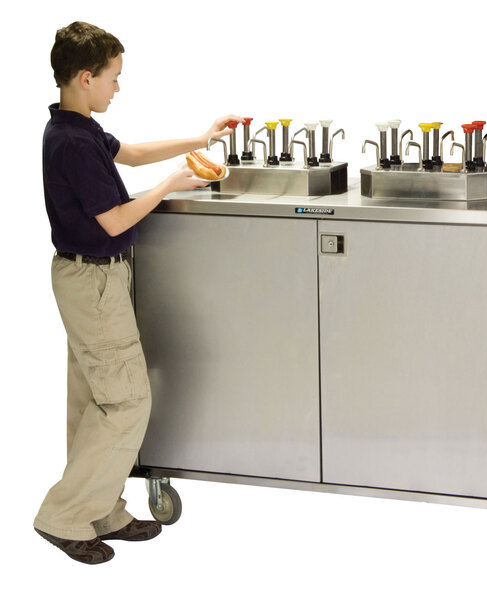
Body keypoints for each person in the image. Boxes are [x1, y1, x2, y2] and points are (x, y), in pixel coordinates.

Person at [34, 20, 244, 564]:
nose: (117, 88)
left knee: (93, 400)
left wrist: (201, 140)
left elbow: (131, 152)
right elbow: (113, 220)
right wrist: (173, 184)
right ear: (86, 78)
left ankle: (101, 510)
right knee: (126, 400)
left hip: (90, 279)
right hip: (94, 279)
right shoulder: (73, 143)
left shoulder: (72, 128)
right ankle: (62, 516)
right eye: (113, 78)